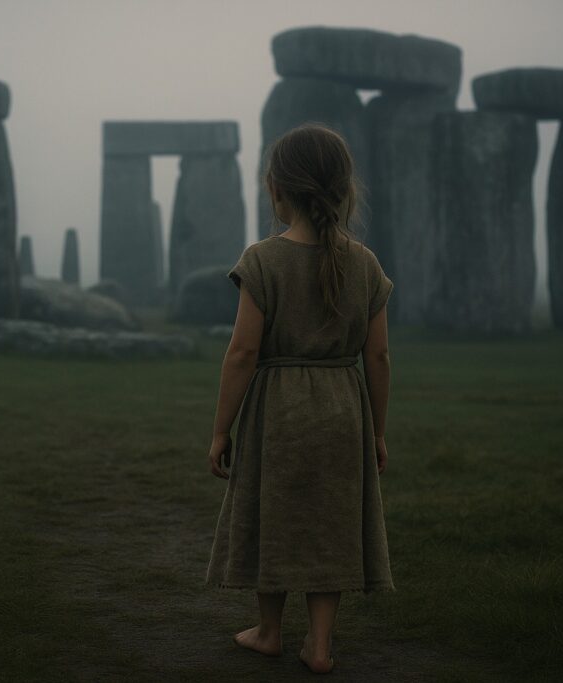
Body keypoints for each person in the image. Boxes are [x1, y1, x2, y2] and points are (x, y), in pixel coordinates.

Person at [204, 123, 395, 675]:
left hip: (277, 409)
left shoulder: (262, 260)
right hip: (342, 408)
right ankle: (319, 644)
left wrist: (221, 429)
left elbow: (242, 353)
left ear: (275, 188)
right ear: (343, 188)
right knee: (330, 520)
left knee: (274, 514)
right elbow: (378, 359)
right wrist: (377, 431)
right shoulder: (366, 264)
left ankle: (268, 632)